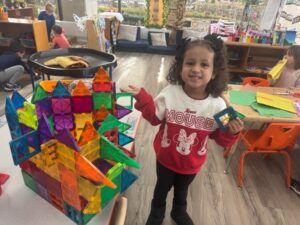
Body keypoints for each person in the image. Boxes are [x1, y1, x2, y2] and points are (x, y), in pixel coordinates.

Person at [121, 34, 244, 225]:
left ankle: (179, 211)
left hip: (192, 163)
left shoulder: (219, 106)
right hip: (165, 158)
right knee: (161, 189)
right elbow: (154, 117)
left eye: (204, 64)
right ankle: (156, 213)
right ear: (180, 68)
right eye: (190, 63)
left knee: (182, 190)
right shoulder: (170, 93)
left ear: (213, 73)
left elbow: (221, 139)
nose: (196, 69)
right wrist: (143, 98)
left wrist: (232, 132)